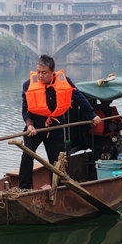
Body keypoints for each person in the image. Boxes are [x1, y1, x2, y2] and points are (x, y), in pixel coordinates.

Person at [20, 54, 101, 189]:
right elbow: (25, 109)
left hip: (55, 128)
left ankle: (58, 188)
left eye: (44, 73)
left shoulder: (65, 82)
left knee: (57, 161)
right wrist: (29, 125)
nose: (40, 75)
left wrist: (92, 115)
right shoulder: (28, 85)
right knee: (27, 155)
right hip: (35, 128)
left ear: (53, 72)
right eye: (38, 72)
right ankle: (24, 188)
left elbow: (80, 98)